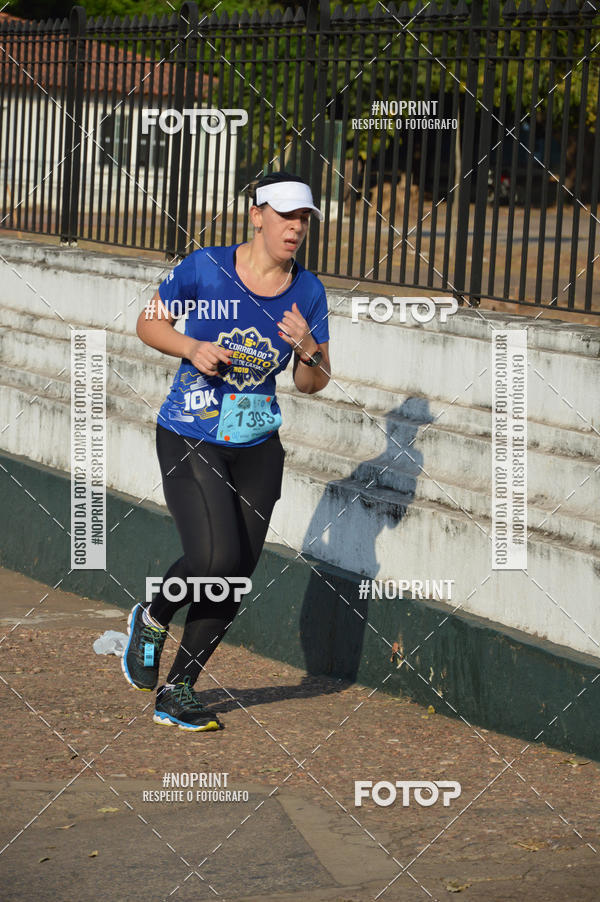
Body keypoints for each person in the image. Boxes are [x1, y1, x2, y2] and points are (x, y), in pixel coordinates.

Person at [121, 171, 331, 731]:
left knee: (236, 571)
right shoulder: (205, 268)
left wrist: (308, 349)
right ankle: (155, 613)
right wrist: (191, 346)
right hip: (192, 432)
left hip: (259, 443)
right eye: (285, 215)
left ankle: (179, 689)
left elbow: (315, 383)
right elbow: (147, 323)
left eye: (304, 218)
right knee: (214, 560)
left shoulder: (308, 291)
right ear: (256, 215)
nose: (295, 228)